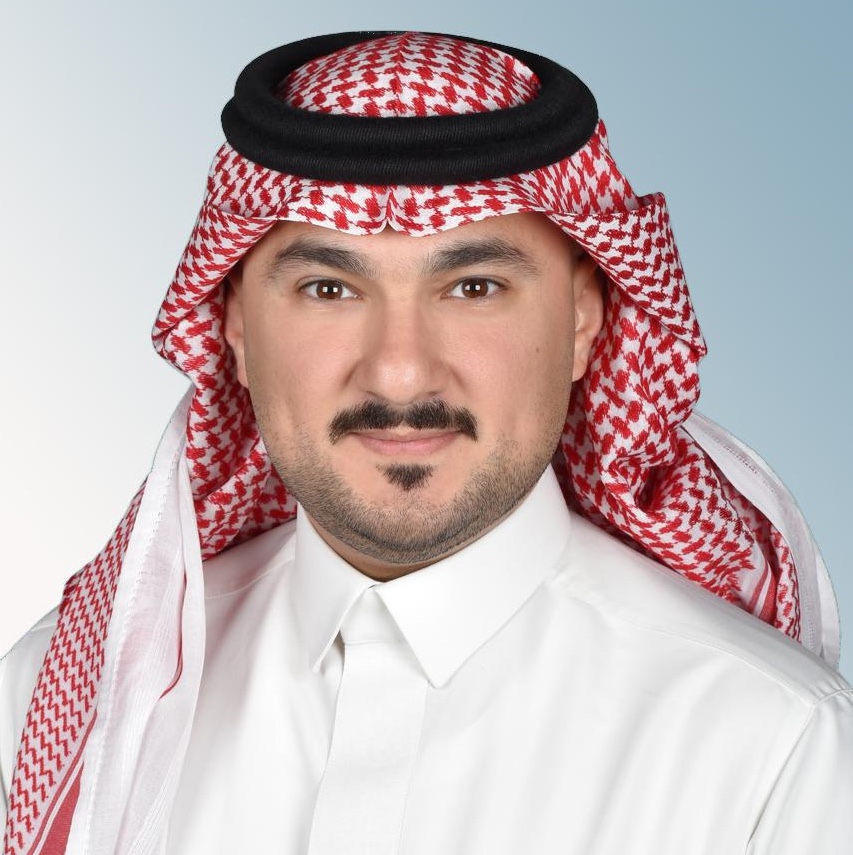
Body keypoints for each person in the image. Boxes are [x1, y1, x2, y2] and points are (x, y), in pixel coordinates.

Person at [1, 30, 851, 854]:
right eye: (328, 288)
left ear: (583, 319)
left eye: (473, 286)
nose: (400, 373)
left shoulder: (771, 745)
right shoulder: (57, 707)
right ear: (236, 327)